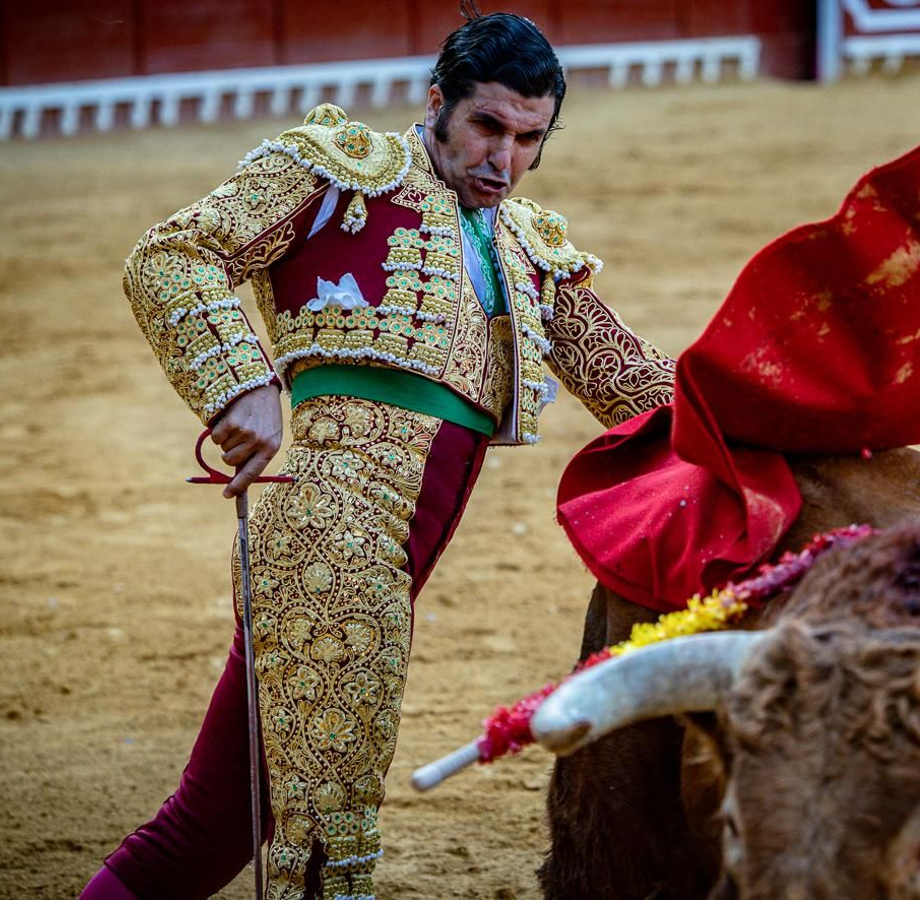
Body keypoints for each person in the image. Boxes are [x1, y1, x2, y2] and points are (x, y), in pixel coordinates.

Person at [81, 10, 675, 899]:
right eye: (485, 127)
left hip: (383, 568)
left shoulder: (528, 246)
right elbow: (172, 256)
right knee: (324, 840)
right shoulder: (336, 173)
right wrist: (241, 381)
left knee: (217, 825)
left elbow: (643, 393)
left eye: (527, 139)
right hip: (330, 546)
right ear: (437, 102)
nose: (502, 160)